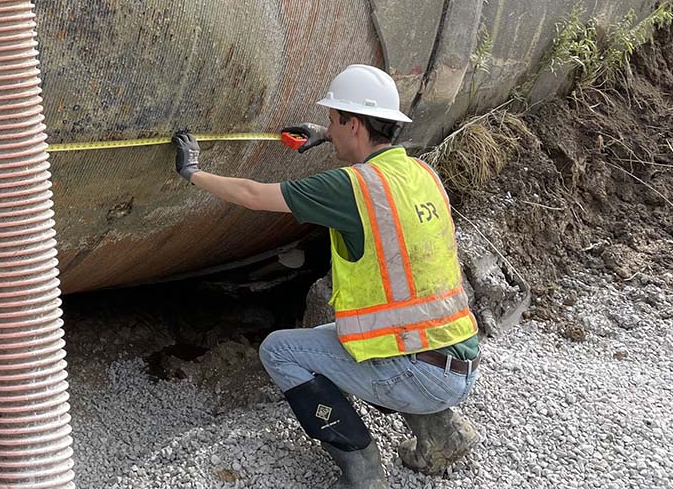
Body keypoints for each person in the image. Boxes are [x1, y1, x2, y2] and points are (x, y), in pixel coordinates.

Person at [171, 64, 481, 488]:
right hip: (459, 361)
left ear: (354, 124)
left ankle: (362, 467)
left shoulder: (349, 187)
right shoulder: (422, 175)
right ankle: (442, 431)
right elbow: (372, 176)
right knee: (364, 335)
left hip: (417, 372)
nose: (329, 129)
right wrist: (328, 135)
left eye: (334, 121)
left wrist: (193, 172)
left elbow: (253, 195)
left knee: (281, 351)